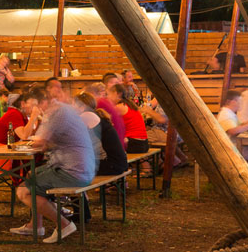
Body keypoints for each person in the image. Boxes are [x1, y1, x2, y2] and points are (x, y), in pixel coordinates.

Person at [13, 88, 95, 243]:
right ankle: (35, 225)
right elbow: (49, 142)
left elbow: (39, 142)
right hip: (83, 167)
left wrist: (28, 142)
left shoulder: (56, 114)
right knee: (32, 174)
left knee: (23, 191)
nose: (35, 108)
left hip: (72, 171)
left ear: (43, 102)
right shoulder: (66, 110)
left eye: (35, 105)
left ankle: (64, 225)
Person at [77, 92, 127, 176]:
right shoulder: (97, 115)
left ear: (82, 107)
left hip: (112, 165)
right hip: (118, 163)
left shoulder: (87, 116)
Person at [218, 90, 248, 173]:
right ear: (233, 102)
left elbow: (239, 126)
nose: (241, 104)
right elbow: (232, 131)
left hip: (235, 145)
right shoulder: (225, 114)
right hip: (231, 148)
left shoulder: (229, 113)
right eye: (240, 101)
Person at [108, 83, 149, 153]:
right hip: (144, 143)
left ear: (117, 94)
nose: (108, 97)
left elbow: (108, 122)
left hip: (134, 144)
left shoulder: (119, 107)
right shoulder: (129, 104)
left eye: (109, 94)